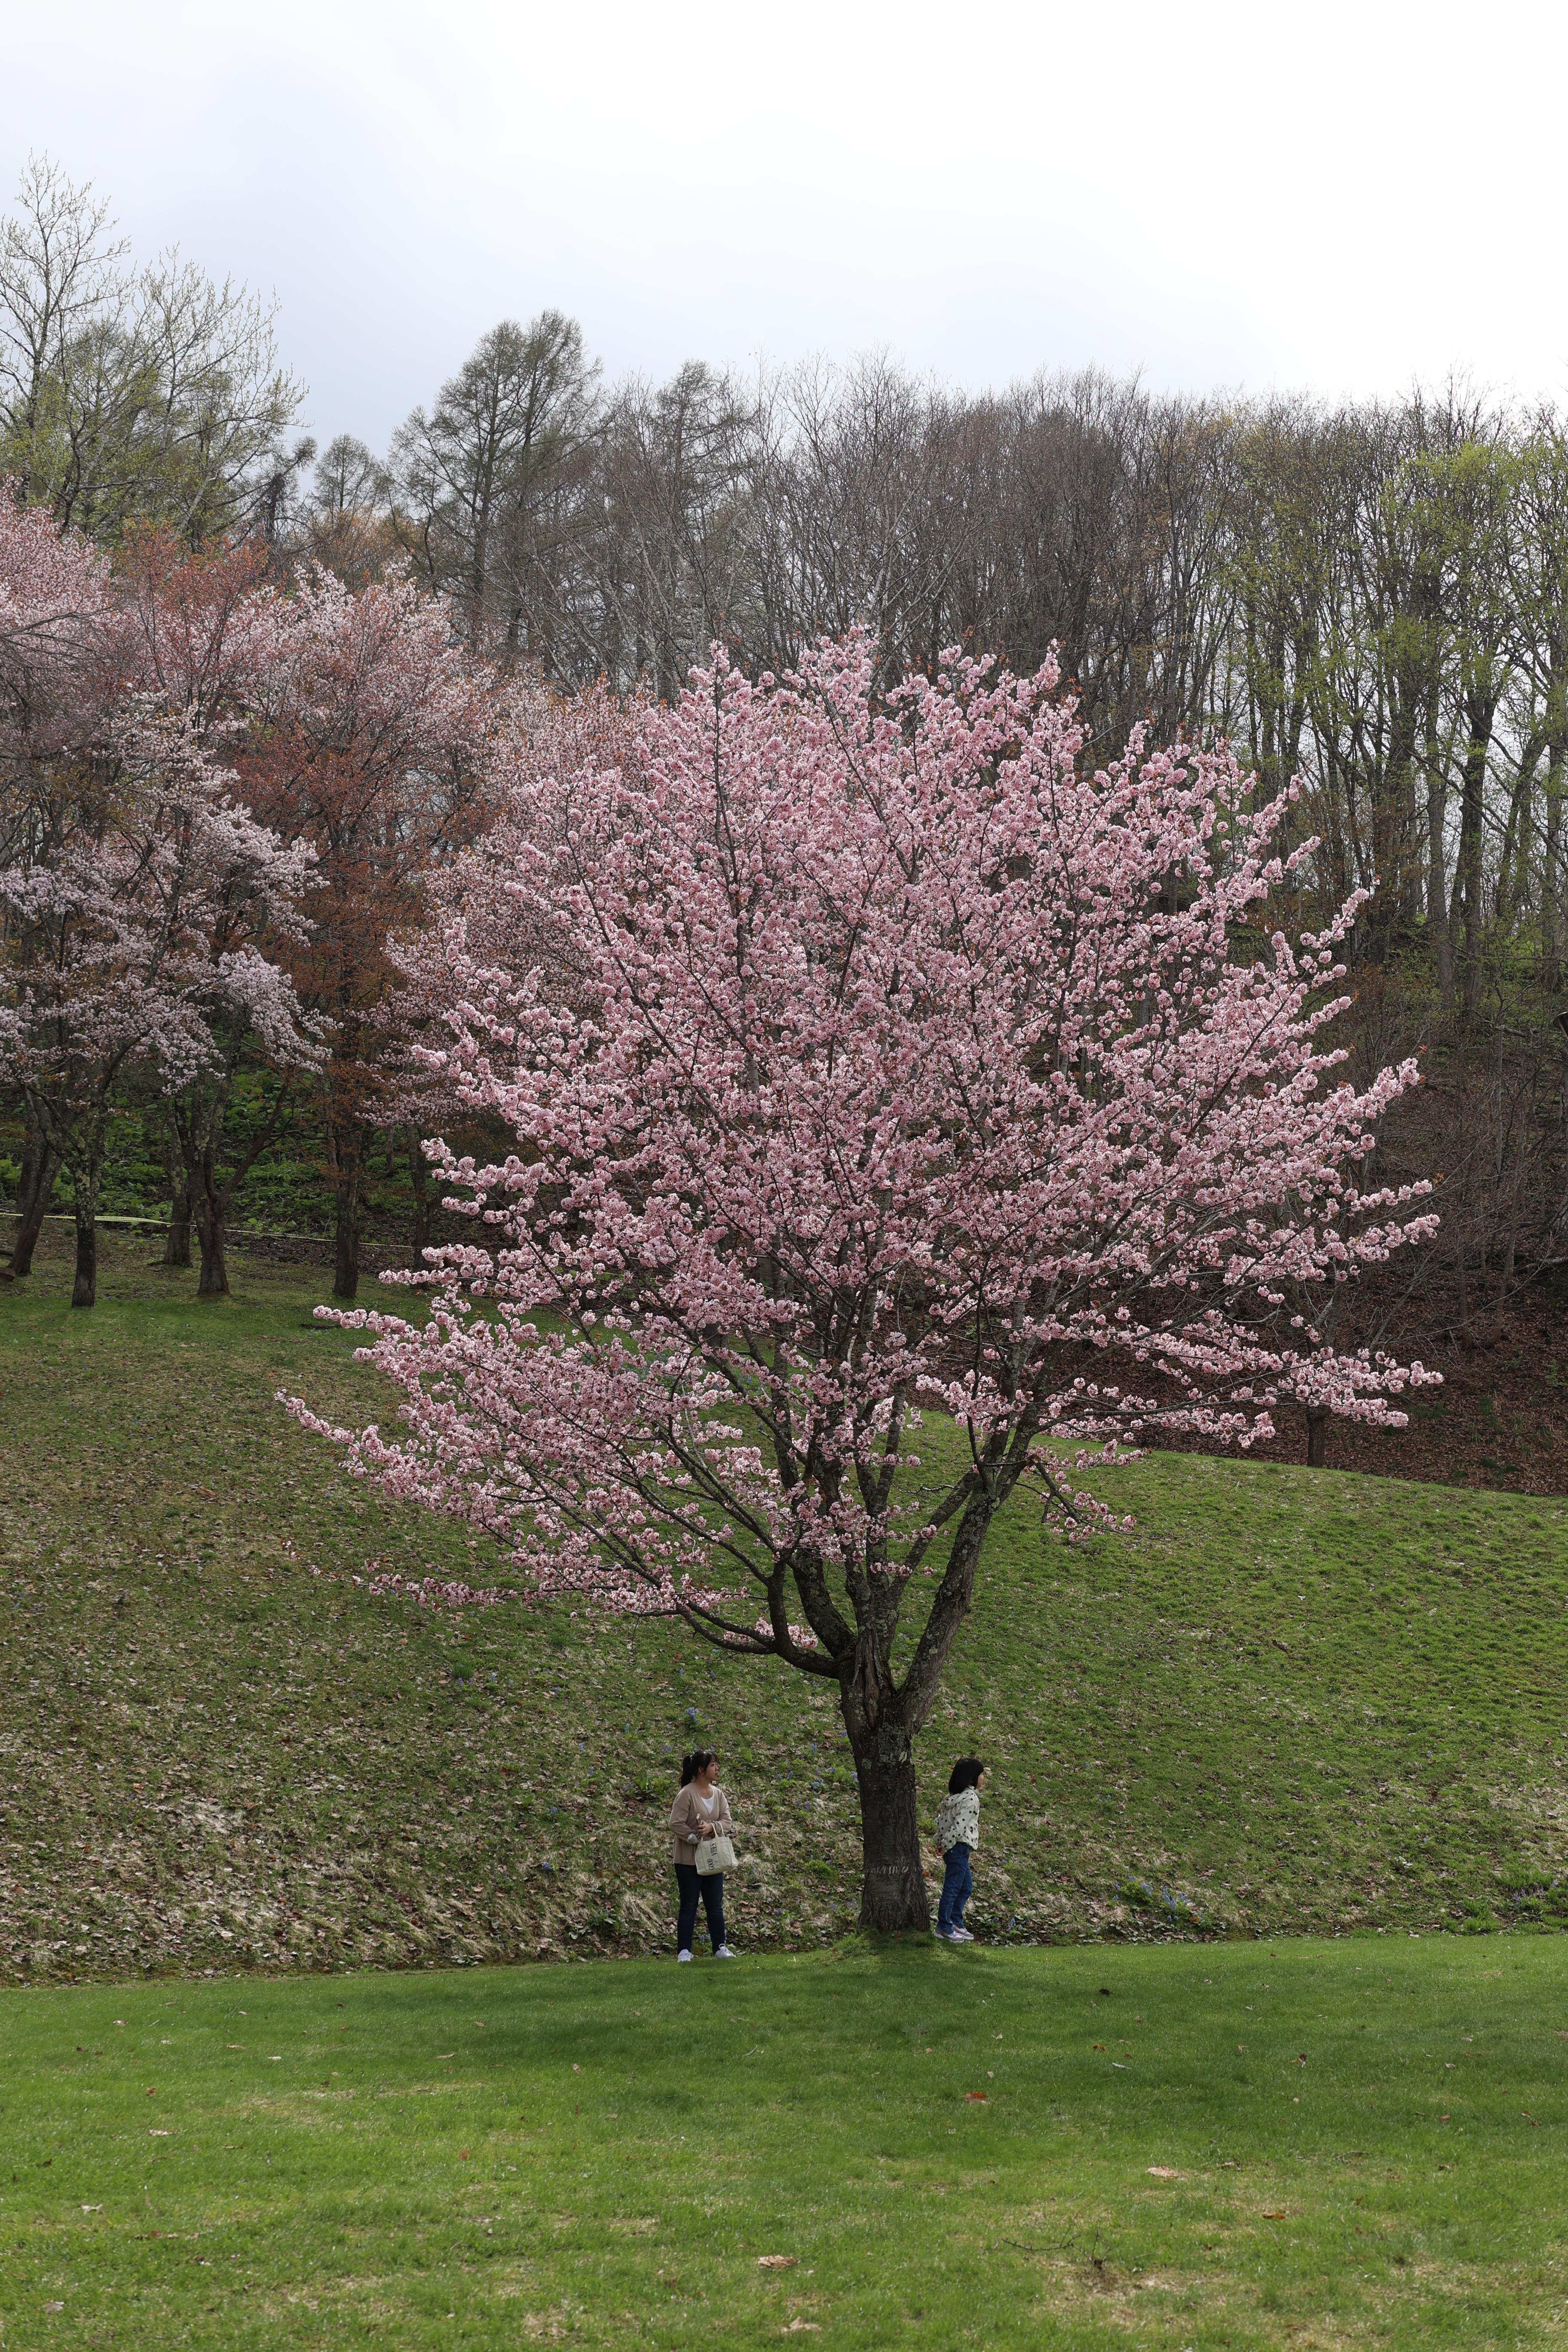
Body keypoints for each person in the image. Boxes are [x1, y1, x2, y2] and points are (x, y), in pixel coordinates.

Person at [668, 1749, 736, 1961]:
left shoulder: (719, 1795)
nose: (717, 1769)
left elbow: (727, 1821)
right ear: (701, 1770)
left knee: (715, 1904)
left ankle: (720, 1948)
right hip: (688, 1860)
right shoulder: (687, 1793)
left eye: (717, 1764)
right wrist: (692, 1837)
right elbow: (675, 1822)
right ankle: (684, 1952)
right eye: (713, 1765)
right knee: (689, 1905)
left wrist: (711, 1827)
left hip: (713, 1858)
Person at [933, 1756, 985, 1942]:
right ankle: (944, 1927)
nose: (983, 1779)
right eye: (981, 1775)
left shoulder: (953, 1798)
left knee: (966, 1887)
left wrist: (939, 1842)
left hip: (955, 1849)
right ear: (972, 1779)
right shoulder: (971, 1799)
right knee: (953, 1889)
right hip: (958, 1848)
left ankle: (955, 1921)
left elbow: (942, 1823)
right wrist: (945, 1845)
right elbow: (958, 1827)